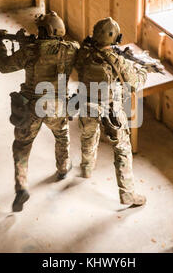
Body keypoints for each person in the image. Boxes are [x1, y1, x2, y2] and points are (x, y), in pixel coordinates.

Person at [0, 11, 80, 212]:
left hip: (31, 107)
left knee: (22, 146)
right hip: (57, 105)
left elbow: (4, 67)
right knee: (62, 135)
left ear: (43, 30)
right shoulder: (72, 49)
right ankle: (63, 168)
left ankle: (21, 187)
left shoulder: (30, 50)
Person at [75, 17, 148, 207]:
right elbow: (134, 84)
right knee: (122, 149)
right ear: (116, 37)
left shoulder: (83, 54)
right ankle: (127, 194)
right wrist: (143, 71)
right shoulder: (118, 61)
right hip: (111, 112)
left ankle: (86, 168)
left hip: (86, 106)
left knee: (88, 137)